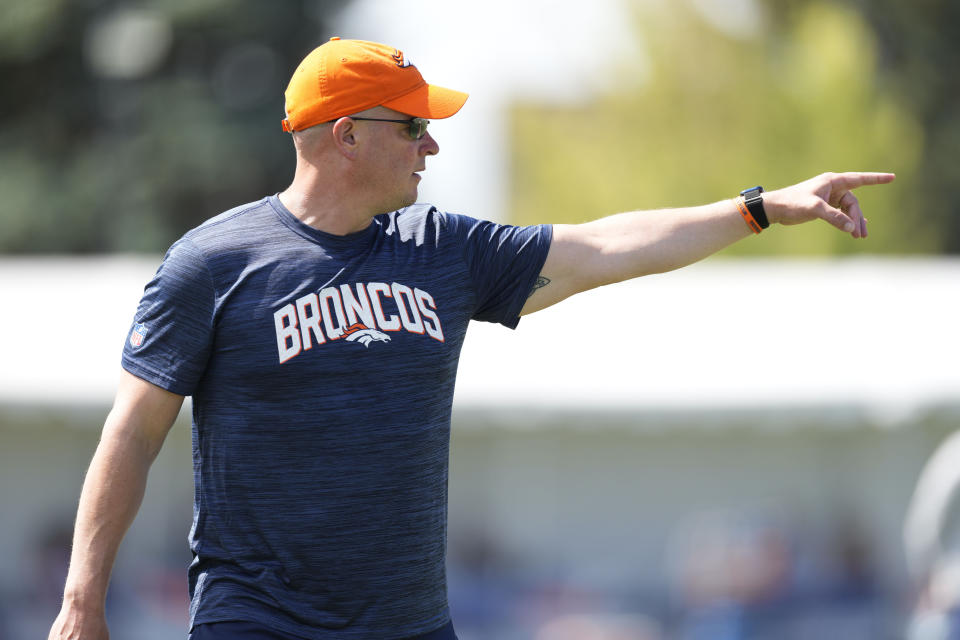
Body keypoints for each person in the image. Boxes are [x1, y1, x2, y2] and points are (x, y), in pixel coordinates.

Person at [48, 37, 894, 640]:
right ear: (346, 136)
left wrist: (757, 207)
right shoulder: (213, 262)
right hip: (258, 618)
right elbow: (132, 431)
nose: (433, 144)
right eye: (412, 126)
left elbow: (605, 246)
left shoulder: (445, 251)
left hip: (410, 621)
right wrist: (83, 597)